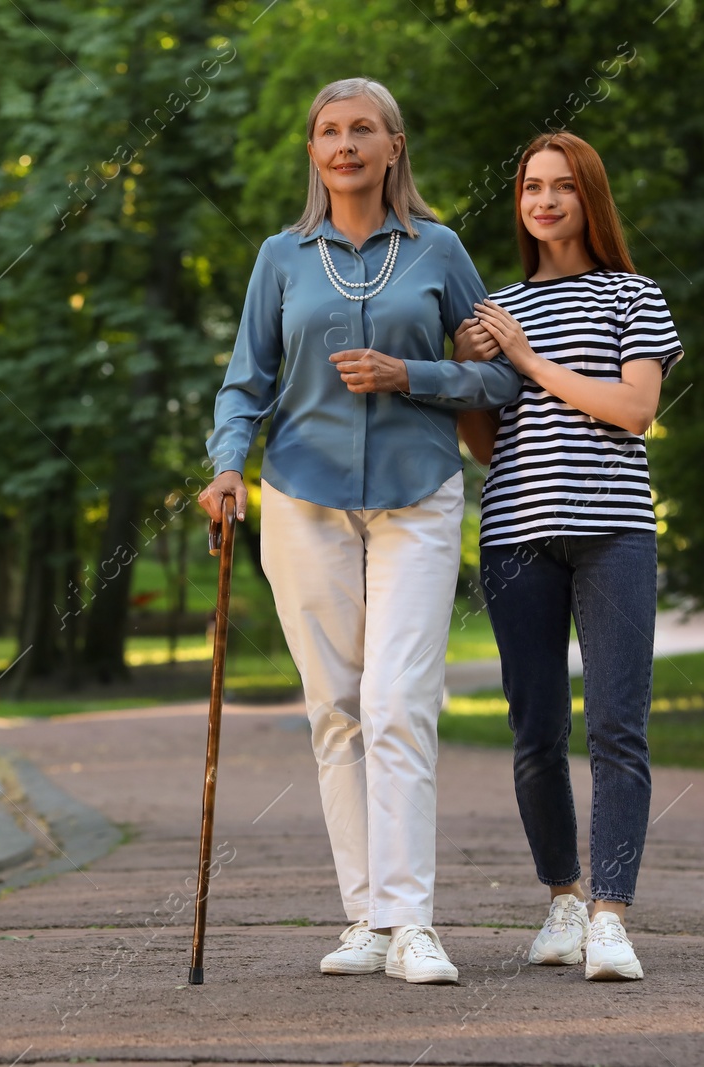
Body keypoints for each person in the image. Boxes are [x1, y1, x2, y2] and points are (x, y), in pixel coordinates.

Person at [198, 77, 520, 984]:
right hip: (303, 498)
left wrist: (412, 373)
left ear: (393, 147)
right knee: (336, 705)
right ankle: (366, 919)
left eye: (363, 130)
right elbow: (244, 383)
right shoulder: (280, 257)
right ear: (313, 152)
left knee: (397, 703)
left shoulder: (443, 250)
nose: (345, 145)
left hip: (419, 497)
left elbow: (500, 381)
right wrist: (228, 464)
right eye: (330, 131)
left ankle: (414, 921)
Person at [453, 131, 683, 981]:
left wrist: (521, 356)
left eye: (562, 187)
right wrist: (464, 365)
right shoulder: (496, 307)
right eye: (530, 188)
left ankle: (611, 913)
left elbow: (634, 409)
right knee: (535, 730)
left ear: (591, 196)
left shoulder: (634, 293)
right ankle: (561, 897)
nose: (544, 201)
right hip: (516, 534)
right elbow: (486, 444)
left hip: (614, 532)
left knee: (619, 726)